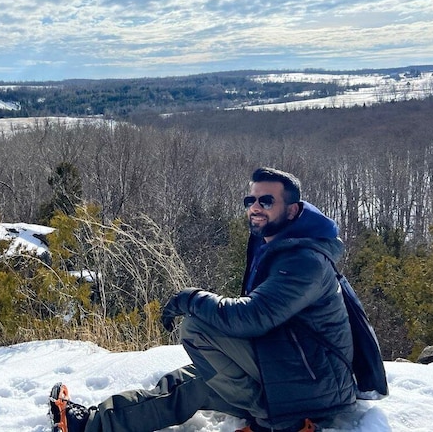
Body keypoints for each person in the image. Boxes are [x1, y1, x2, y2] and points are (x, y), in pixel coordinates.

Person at [50, 167, 356, 432]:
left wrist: (190, 299)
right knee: (192, 382)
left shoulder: (305, 260)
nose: (255, 207)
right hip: (293, 367)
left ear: (292, 210)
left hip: (315, 386)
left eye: (266, 200)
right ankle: (89, 424)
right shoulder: (273, 244)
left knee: (198, 328)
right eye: (250, 200)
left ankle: (276, 421)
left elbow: (254, 316)